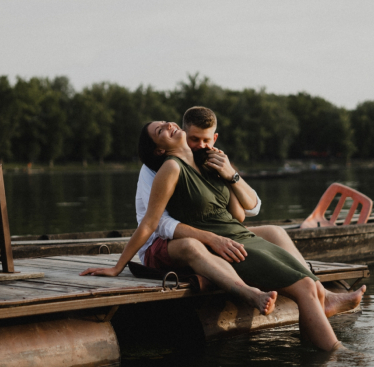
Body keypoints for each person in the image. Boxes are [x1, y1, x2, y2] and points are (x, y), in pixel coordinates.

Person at [81, 120, 350, 351]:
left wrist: (227, 173)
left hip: (232, 234)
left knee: (310, 284)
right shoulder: (168, 169)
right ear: (159, 149)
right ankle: (334, 352)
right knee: (304, 288)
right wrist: (118, 267)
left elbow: (241, 214)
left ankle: (317, 351)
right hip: (182, 243)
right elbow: (152, 223)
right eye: (161, 130)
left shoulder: (205, 162)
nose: (169, 126)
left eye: (167, 122)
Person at [134, 107, 364, 318]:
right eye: (195, 139)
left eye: (206, 140)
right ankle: (269, 291)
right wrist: (213, 239)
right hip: (165, 243)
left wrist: (230, 174)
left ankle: (322, 292)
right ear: (183, 134)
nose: (202, 146)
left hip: (210, 232)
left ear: (214, 138)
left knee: (275, 232)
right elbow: (160, 223)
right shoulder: (158, 166)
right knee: (202, 245)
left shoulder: (207, 161)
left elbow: (251, 209)